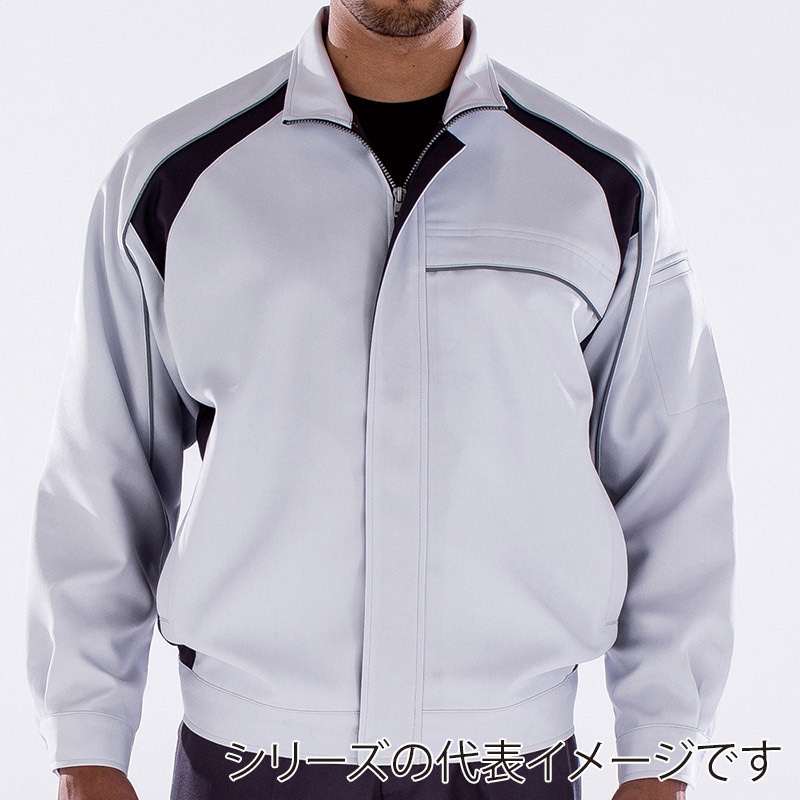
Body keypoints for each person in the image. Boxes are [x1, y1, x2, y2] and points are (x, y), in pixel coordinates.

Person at [25, 1, 736, 799]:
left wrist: (661, 755)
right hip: (250, 760)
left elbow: (672, 482)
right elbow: (103, 470)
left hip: (511, 762)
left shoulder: (600, 186)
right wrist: (87, 743)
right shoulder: (177, 178)